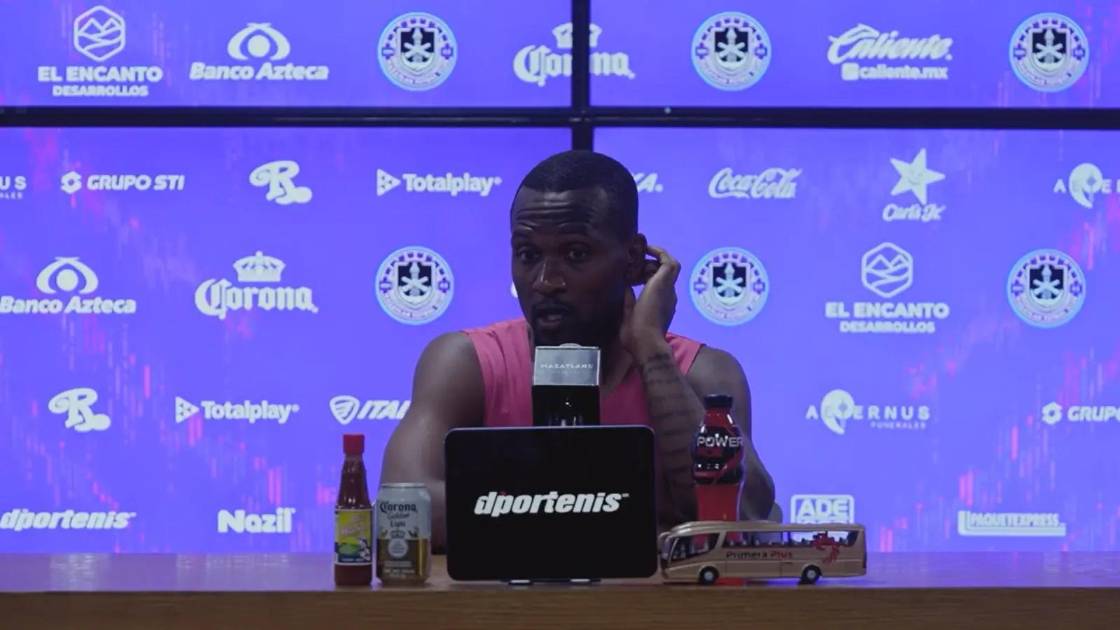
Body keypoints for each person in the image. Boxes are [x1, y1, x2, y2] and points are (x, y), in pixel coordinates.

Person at [381, 150, 775, 550]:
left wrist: (652, 351)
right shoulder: (467, 362)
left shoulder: (704, 373)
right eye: (528, 255)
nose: (545, 281)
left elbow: (745, 516)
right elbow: (404, 506)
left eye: (576, 254)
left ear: (632, 259)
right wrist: (627, 524)